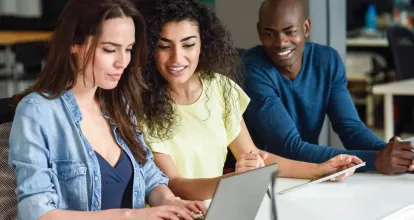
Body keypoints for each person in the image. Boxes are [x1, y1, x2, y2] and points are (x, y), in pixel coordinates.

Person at [137, 0, 362, 201]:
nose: (177, 57)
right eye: (164, 46)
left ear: (203, 44)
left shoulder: (220, 87)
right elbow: (174, 184)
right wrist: (233, 182)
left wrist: (320, 169)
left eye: (188, 44)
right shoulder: (143, 103)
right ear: (149, 49)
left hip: (218, 210)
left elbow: (255, 157)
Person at [8, 1, 205, 220]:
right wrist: (132, 216)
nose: (122, 62)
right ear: (74, 43)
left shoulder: (118, 104)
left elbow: (149, 177)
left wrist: (170, 203)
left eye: (128, 49)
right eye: (109, 49)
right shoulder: (37, 111)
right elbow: (36, 212)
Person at [242, 0, 414, 175]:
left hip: (309, 175)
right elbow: (289, 148)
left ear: (306, 28)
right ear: (259, 32)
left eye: (290, 32)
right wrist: (377, 160)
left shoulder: (326, 60)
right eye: (269, 34)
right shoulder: (252, 69)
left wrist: (396, 155)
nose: (280, 43)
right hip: (263, 177)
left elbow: (350, 128)